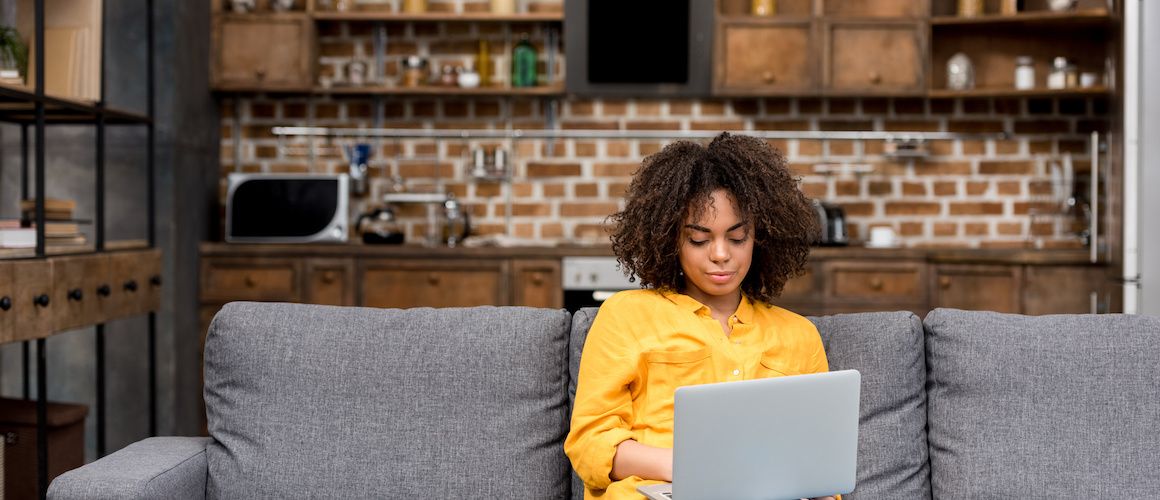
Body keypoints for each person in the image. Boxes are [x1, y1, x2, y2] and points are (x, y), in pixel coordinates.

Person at [564, 132, 838, 500]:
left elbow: (818, 467)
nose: (721, 254)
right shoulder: (626, 316)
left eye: (737, 238)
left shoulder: (798, 335)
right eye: (699, 239)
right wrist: (684, 466)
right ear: (670, 239)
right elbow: (590, 443)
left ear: (762, 237)